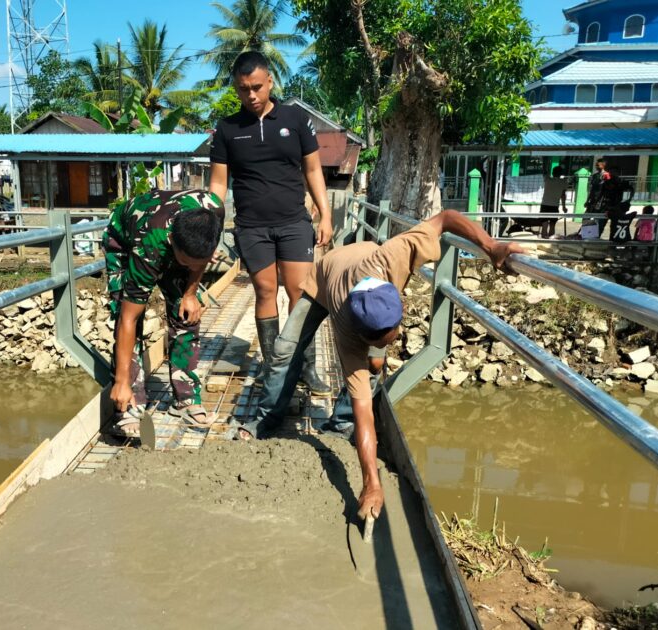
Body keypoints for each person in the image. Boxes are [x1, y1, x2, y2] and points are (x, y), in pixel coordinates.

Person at [231, 210, 523, 521]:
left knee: (373, 367)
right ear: (358, 334)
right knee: (285, 349)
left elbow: (447, 218)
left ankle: (337, 426)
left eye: (389, 339)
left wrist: (491, 247)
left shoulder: (392, 257)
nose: (385, 344)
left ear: (401, 305)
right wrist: (372, 482)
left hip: (365, 268)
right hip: (325, 277)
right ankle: (266, 419)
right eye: (376, 341)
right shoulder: (347, 332)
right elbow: (365, 412)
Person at [209, 51, 332, 398]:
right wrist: (210, 219)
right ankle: (273, 369)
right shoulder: (227, 129)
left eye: (257, 87)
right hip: (252, 227)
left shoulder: (296, 119)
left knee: (300, 293)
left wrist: (326, 215)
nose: (251, 95)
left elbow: (312, 171)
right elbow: (218, 184)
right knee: (264, 292)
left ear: (270, 82)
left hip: (294, 222)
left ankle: (305, 367)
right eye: (243, 89)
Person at [102, 189, 224, 437]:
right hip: (125, 242)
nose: (192, 267)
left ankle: (186, 398)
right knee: (127, 318)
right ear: (171, 242)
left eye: (197, 262)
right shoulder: (149, 248)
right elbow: (129, 317)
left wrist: (190, 293)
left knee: (186, 312)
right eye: (186, 261)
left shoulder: (212, 211)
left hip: (174, 241)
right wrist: (121, 381)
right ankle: (129, 403)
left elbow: (199, 260)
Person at [600, 166, 634, 241]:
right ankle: (599, 241)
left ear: (618, 173)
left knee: (615, 226)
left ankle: (613, 244)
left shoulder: (622, 184)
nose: (612, 174)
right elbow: (601, 194)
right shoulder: (606, 183)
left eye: (614, 172)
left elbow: (630, 192)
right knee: (601, 225)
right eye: (611, 172)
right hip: (607, 207)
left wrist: (627, 202)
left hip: (617, 208)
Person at [539, 166, 569, 239]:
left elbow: (544, 171)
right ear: (561, 173)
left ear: (553, 173)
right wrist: (564, 207)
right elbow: (563, 195)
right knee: (552, 225)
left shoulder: (547, 179)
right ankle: (550, 241)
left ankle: (543, 241)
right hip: (554, 206)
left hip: (545, 205)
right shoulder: (563, 182)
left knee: (544, 225)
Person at [584, 159, 609, 233]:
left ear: (603, 165)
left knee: (597, 219)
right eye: (596, 165)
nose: (596, 166)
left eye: (598, 165)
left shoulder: (606, 175)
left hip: (601, 201)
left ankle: (595, 234)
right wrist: (587, 200)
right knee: (586, 217)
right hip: (592, 200)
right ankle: (585, 233)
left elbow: (606, 189)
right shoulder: (595, 176)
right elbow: (592, 189)